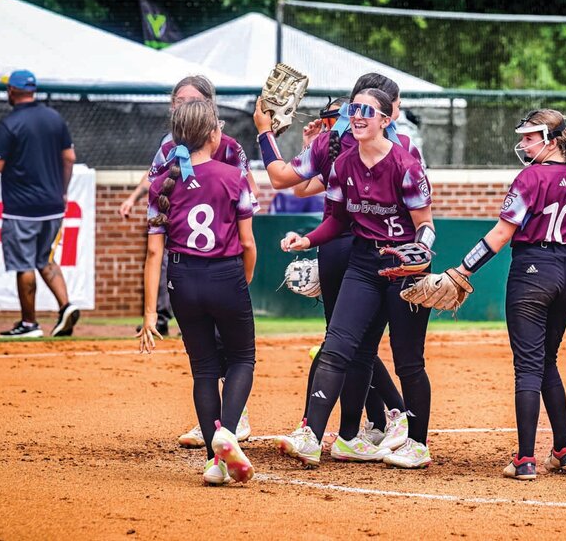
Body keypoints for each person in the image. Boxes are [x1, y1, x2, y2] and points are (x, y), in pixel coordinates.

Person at [438, 109, 566, 479]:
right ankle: (564, 449)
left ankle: (524, 459)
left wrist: (462, 269)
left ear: (551, 141)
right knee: (547, 361)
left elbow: (500, 235)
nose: (522, 144)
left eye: (529, 138)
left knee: (527, 365)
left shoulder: (529, 177)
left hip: (531, 271)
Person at [272, 88, 436, 468]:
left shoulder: (406, 166)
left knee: (408, 359)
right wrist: (307, 239)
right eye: (353, 109)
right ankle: (310, 436)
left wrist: (420, 255)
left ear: (385, 120)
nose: (358, 115)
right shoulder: (343, 163)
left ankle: (418, 444)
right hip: (364, 263)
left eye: (367, 110)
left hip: (404, 267)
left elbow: (425, 225)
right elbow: (338, 220)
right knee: (338, 344)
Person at [118, 76, 255, 449]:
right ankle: (228, 429)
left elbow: (153, 252)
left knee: (204, 367)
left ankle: (217, 449)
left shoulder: (167, 178)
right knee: (242, 356)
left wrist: (149, 313)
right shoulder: (230, 174)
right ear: (211, 131)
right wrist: (241, 280)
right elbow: (247, 241)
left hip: (182, 277)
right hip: (224, 270)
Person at [118, 75, 260, 337]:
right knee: (162, 255)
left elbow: (250, 193)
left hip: (222, 240)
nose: (184, 106)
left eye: (192, 101)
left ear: (209, 107)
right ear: (172, 107)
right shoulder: (169, 148)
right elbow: (153, 180)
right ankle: (165, 315)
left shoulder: (229, 147)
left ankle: (212, 320)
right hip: (184, 239)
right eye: (179, 101)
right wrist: (133, 198)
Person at [0, 69, 80, 338]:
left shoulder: (9, 124)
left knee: (24, 264)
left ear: (12, 91)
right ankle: (66, 307)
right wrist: (62, 189)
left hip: (21, 209)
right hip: (53, 206)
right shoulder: (54, 118)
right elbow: (69, 157)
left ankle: (29, 323)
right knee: (45, 259)